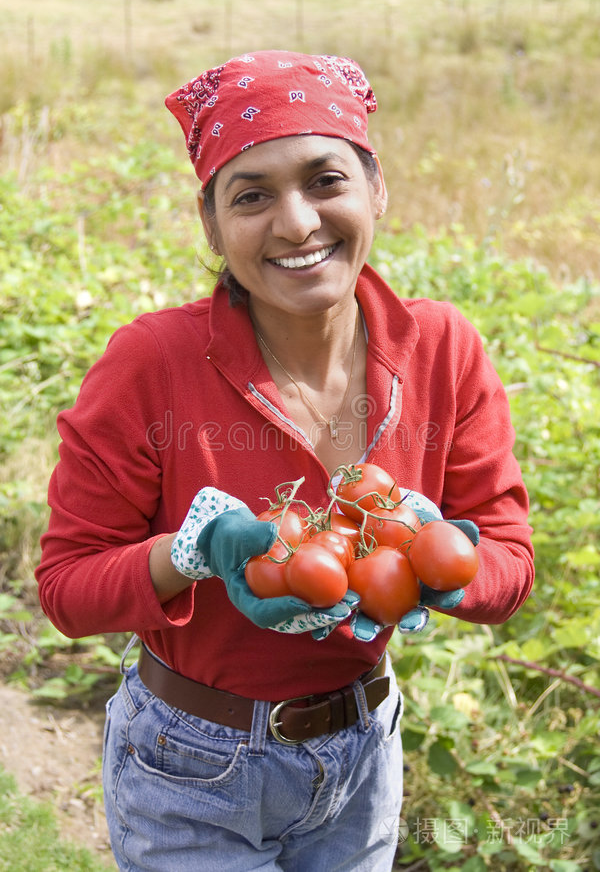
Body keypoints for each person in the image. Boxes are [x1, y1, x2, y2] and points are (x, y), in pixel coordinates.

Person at [35, 50, 534, 872]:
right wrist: (191, 553)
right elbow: (66, 587)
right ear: (211, 225)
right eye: (252, 196)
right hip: (190, 768)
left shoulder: (444, 350)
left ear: (376, 188)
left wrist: (442, 564)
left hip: (365, 755)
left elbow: (508, 562)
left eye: (325, 180)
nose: (298, 223)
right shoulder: (151, 364)